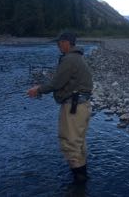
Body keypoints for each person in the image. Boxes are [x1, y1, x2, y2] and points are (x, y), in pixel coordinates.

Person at [27, 32, 93, 184]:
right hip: (82, 106)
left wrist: (37, 90)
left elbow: (56, 83)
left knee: (70, 142)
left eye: (60, 42)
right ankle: (82, 177)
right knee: (79, 141)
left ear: (67, 43)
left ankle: (79, 181)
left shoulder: (69, 59)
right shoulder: (78, 58)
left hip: (73, 108)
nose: (58, 45)